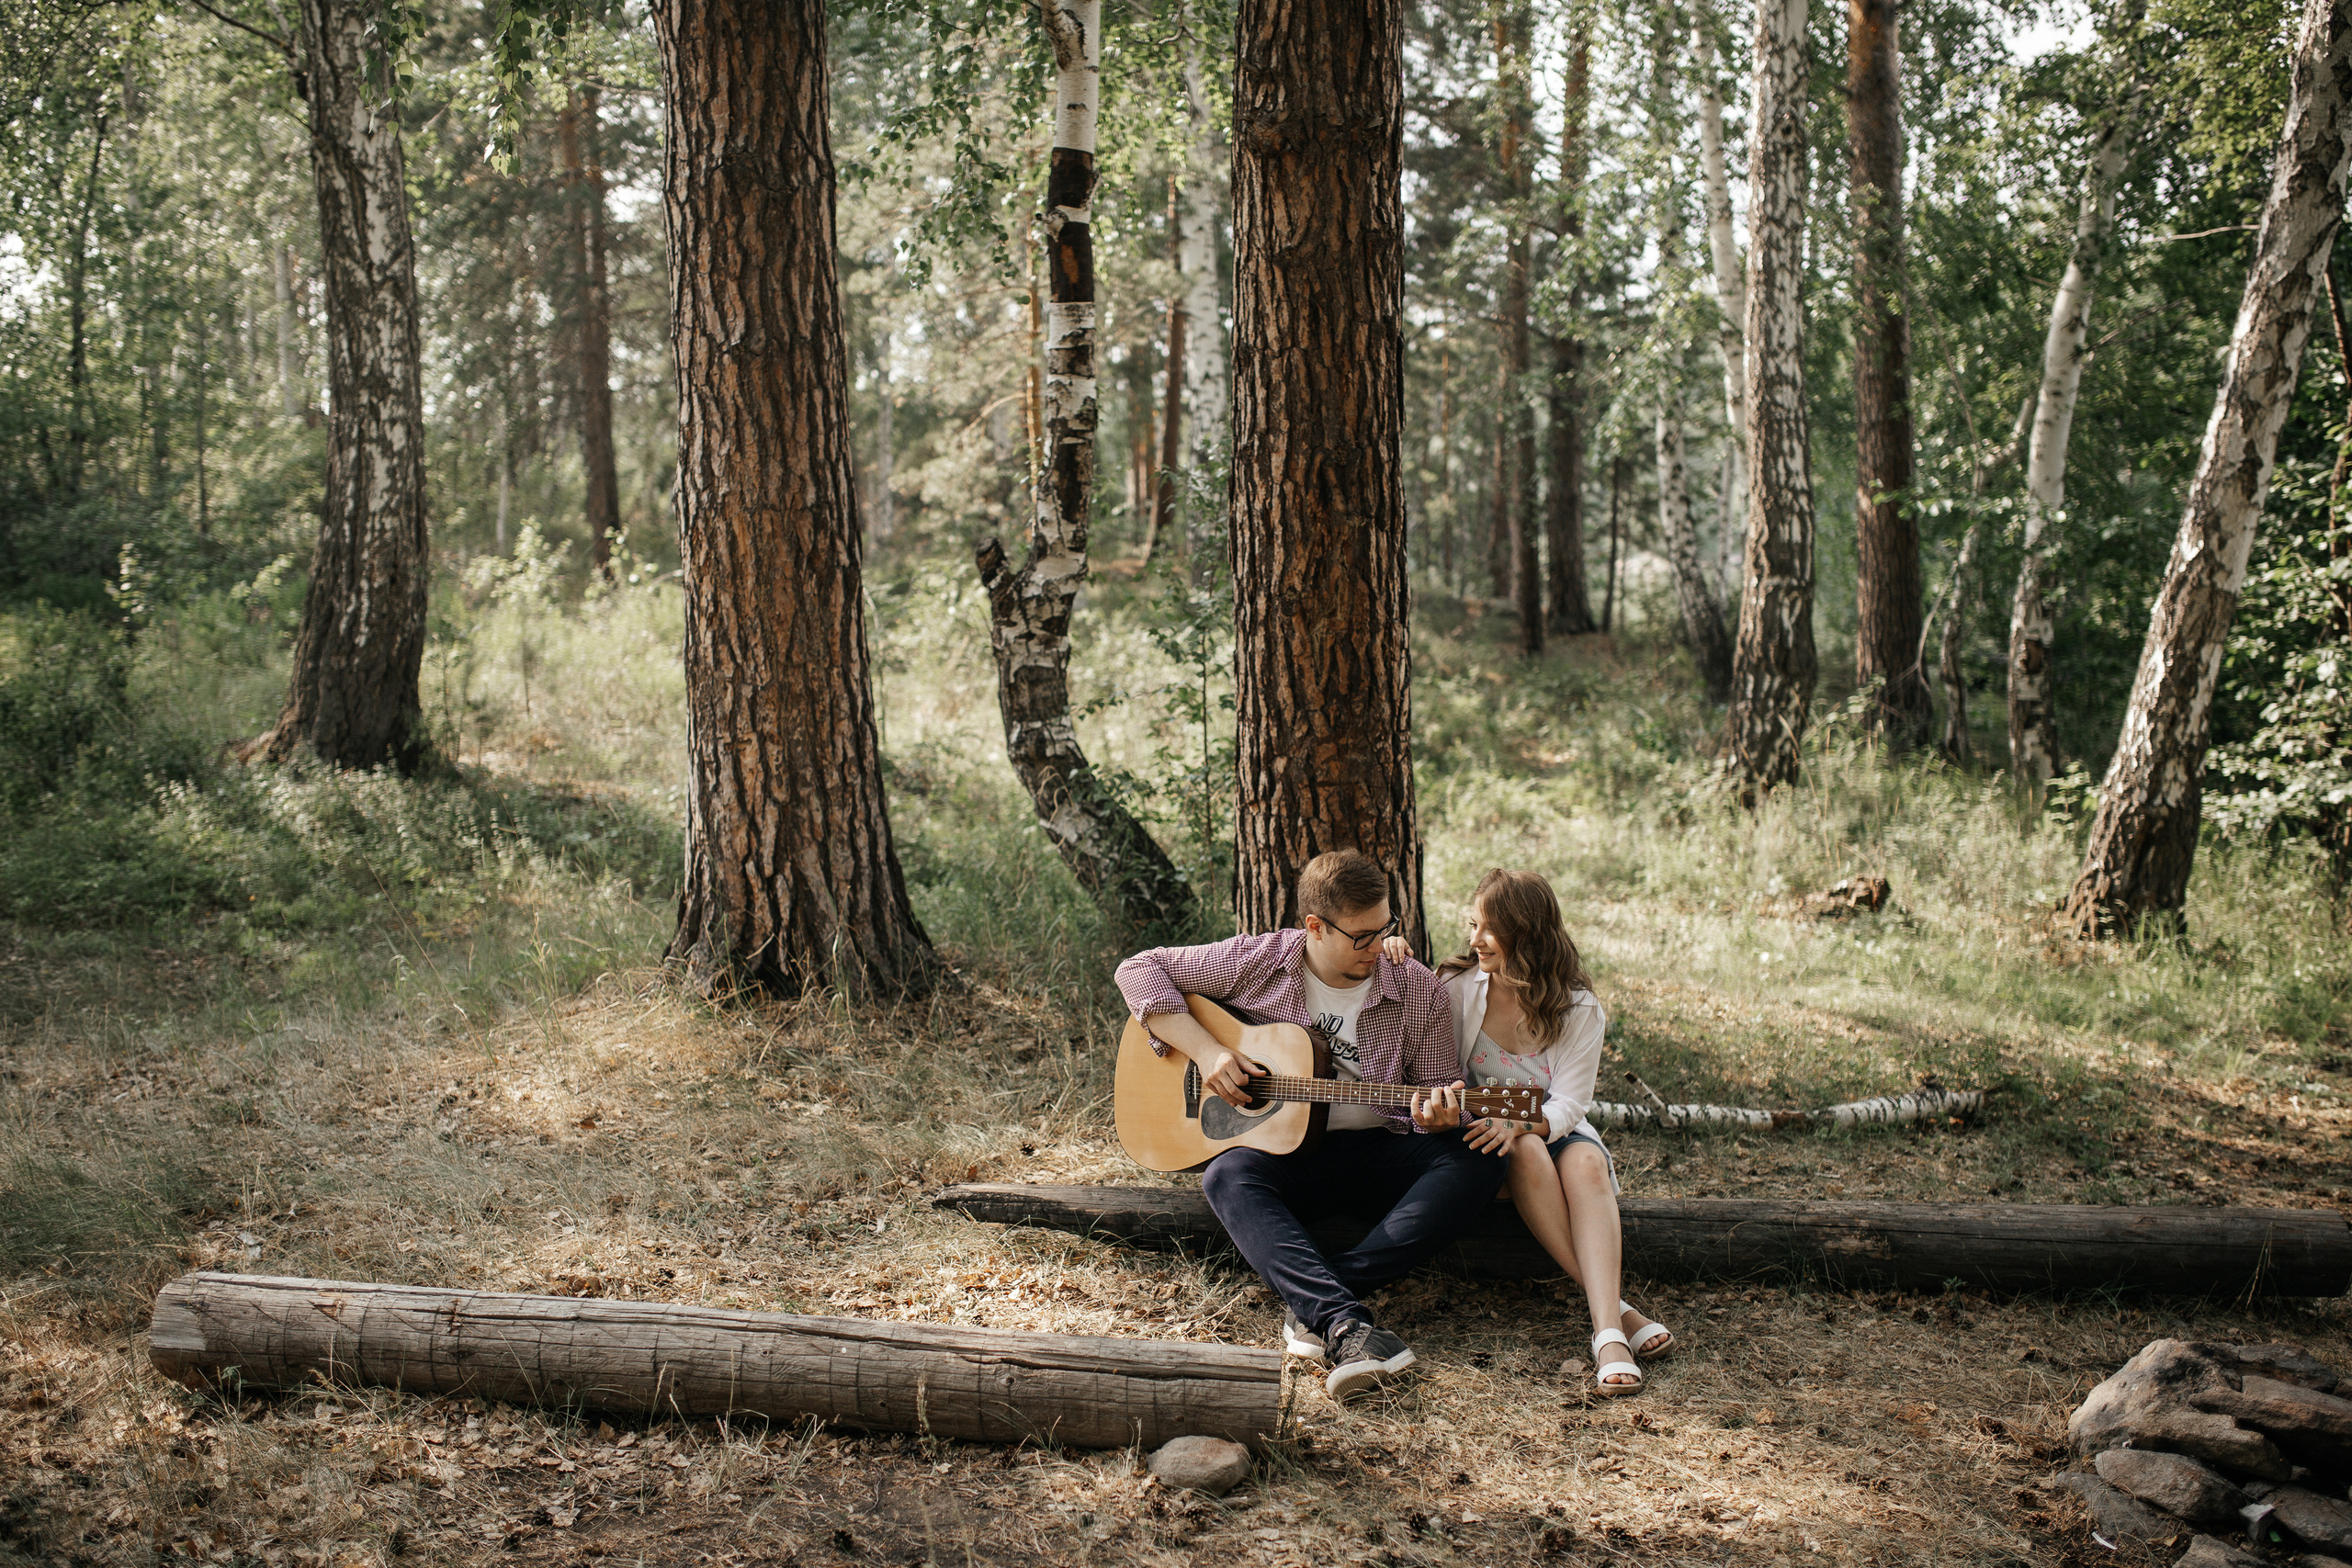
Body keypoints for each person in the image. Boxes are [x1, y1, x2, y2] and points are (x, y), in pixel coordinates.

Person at [1114, 850, 1500, 1402]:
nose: (1377, 947)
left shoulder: (1418, 989)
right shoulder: (1262, 958)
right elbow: (1138, 969)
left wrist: (1441, 1118)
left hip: (1377, 1151)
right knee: (1226, 1176)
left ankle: (1323, 1302)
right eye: (1360, 937)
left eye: (1385, 928)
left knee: (1475, 1152)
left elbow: (1443, 1092)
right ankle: (1344, 1322)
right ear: (1315, 927)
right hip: (1285, 1156)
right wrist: (1208, 1053)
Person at [1385, 868, 1675, 1395]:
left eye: (1488, 929)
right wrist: (1392, 953)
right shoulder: (1454, 987)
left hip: (1554, 1127)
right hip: (1486, 1142)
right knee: (1523, 1151)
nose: (1474, 941)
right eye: (1472, 925)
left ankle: (1606, 1332)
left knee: (1585, 1161)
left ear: (1527, 932)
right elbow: (1412, 1023)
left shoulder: (1578, 1007)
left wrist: (1523, 1121)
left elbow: (1571, 1102)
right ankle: (1616, 1314)